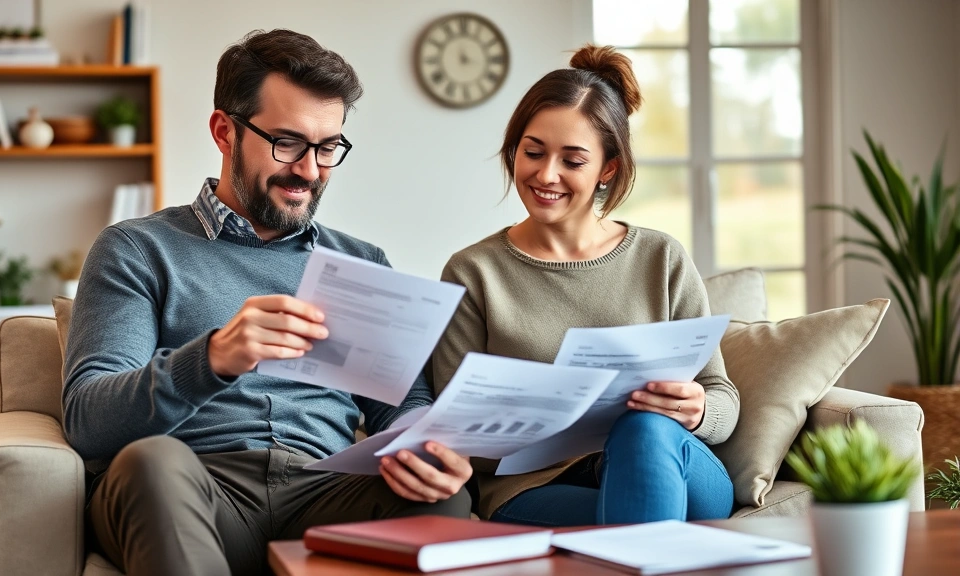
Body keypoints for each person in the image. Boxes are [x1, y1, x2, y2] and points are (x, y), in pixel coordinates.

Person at [62, 29, 472, 576]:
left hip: (324, 493)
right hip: (193, 489)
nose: (309, 170)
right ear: (224, 131)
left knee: (443, 501)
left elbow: (400, 402)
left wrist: (426, 445)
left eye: (328, 148)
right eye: (287, 143)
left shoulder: (361, 262)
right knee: (151, 463)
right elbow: (89, 420)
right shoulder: (137, 249)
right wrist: (210, 359)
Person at [431, 45, 738, 528]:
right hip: (534, 490)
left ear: (607, 169)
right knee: (632, 516)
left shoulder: (661, 259)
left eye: (572, 161)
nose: (545, 174)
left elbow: (721, 395)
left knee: (641, 429)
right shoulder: (474, 272)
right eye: (532, 152)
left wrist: (697, 410)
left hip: (672, 469)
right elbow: (455, 430)